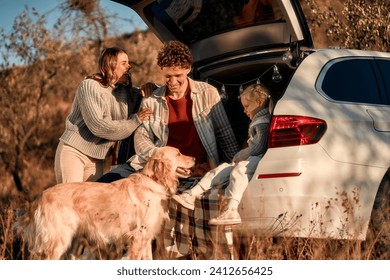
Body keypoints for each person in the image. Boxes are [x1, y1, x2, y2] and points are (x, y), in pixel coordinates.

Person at [97, 40, 239, 183]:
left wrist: (235, 166)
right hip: (157, 167)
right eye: (167, 76)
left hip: (194, 168)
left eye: (178, 75)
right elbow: (141, 140)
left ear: (188, 68)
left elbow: (224, 135)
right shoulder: (151, 100)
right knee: (103, 184)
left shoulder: (208, 93)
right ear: (161, 69)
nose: (172, 81)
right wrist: (163, 159)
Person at [172, 83, 271, 225]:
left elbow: (258, 148)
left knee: (239, 171)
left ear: (260, 102)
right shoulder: (258, 121)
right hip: (250, 158)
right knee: (219, 170)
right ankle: (191, 194)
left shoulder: (262, 122)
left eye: (247, 106)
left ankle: (231, 210)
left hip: (256, 159)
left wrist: (239, 156)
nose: (244, 111)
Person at [54, 47, 152, 184]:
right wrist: (136, 120)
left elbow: (150, 97)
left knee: (89, 203)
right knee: (69, 200)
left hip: (97, 158)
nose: (129, 67)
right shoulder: (89, 86)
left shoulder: (125, 93)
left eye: (128, 63)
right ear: (110, 65)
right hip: (75, 151)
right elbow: (98, 126)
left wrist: (151, 86)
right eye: (124, 63)